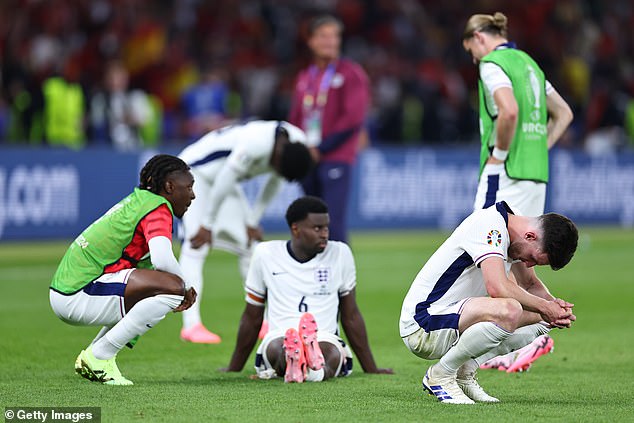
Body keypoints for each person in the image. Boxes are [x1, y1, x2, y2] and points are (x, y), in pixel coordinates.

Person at [462, 12, 574, 371]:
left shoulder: (494, 63)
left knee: (484, 255)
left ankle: (508, 344)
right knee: (519, 257)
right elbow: (565, 113)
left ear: (478, 38)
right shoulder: (529, 64)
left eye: (470, 51)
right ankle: (532, 331)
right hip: (534, 174)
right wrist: (540, 149)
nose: (473, 59)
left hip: (505, 173)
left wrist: (500, 155)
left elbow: (508, 111)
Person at [399, 201, 578, 404]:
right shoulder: (489, 225)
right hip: (423, 324)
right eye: (533, 258)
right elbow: (497, 287)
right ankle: (441, 375)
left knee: (544, 319)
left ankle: (464, 372)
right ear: (530, 236)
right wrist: (545, 307)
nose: (528, 264)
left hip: (454, 319)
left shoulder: (516, 226)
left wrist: (555, 307)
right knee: (510, 309)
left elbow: (529, 284)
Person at [49, 154, 197, 385]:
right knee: (172, 287)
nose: (192, 195)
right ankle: (99, 356)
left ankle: (94, 355)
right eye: (188, 187)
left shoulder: (140, 201)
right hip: (78, 294)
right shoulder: (158, 207)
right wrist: (186, 287)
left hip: (69, 291)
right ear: (169, 186)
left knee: (158, 287)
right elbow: (162, 260)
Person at [222, 196, 392, 382]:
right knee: (278, 346)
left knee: (328, 351)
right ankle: (310, 367)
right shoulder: (265, 254)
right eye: (317, 228)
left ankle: (299, 363)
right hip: (282, 335)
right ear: (295, 228)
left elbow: (350, 315)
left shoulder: (340, 253)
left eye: (326, 227)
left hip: (324, 337)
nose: (325, 234)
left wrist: (372, 368)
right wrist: (234, 367)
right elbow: (252, 317)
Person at [177, 120, 314, 344]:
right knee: (196, 244)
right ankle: (191, 325)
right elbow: (225, 178)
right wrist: (208, 224)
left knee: (250, 247)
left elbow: (274, 182)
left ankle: (265, 321)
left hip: (224, 182)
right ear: (278, 156)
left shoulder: (296, 144)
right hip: (194, 173)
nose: (277, 172)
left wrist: (252, 221)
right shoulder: (256, 143)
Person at [288, 15, 370, 244]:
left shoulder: (351, 73)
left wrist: (321, 148)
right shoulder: (305, 76)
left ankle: (342, 278)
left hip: (336, 156)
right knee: (309, 223)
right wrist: (301, 150)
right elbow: (296, 117)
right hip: (308, 158)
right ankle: (315, 275)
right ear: (311, 41)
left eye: (335, 36)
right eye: (324, 36)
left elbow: (353, 118)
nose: (331, 41)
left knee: (331, 222)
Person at [89, 60, 152, 151]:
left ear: (125, 78)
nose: (114, 82)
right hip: (108, 148)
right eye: (111, 78)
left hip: (133, 147)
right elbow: (96, 121)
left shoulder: (135, 97)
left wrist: (131, 118)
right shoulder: (100, 100)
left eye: (118, 77)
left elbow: (145, 119)